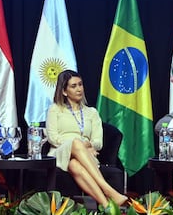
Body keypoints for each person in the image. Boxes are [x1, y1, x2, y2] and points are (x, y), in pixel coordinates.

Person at [46, 70, 128, 207]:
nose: (79, 89)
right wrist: (76, 145)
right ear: (64, 91)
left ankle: (106, 205)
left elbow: (98, 142)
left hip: (86, 156)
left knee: (74, 165)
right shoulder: (55, 109)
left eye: (80, 84)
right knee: (76, 143)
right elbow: (53, 138)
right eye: (73, 86)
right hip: (59, 153)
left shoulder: (92, 113)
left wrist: (87, 146)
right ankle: (108, 190)